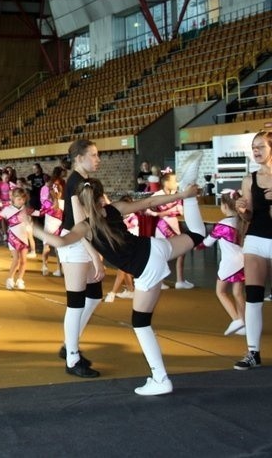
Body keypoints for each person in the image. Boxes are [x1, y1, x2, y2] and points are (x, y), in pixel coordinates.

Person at [28, 155, 204, 395]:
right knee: (197, 234)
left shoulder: (85, 226)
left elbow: (59, 241)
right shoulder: (114, 209)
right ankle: (189, 186)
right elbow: (147, 203)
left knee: (141, 324)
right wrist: (182, 196)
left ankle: (161, 379)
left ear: (81, 203)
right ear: (102, 198)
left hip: (146, 267)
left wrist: (32, 227)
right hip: (155, 248)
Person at [57, 139, 105, 378]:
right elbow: (78, 225)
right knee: (75, 302)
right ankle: (72, 358)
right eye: (93, 155)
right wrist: (94, 254)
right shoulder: (76, 182)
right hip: (75, 243)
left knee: (94, 297)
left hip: (83, 242)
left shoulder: (86, 182)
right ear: (79, 158)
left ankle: (69, 344)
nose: (98, 159)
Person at [233, 128, 272, 370]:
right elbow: (248, 216)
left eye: (261, 147)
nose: (256, 151)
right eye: (254, 147)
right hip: (256, 238)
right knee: (253, 296)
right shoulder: (250, 179)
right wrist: (242, 209)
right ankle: (253, 352)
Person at [201, 189, 246, 336]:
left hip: (229, 263)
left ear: (225, 206)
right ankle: (244, 322)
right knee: (238, 292)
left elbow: (208, 243)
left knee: (220, 291)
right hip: (244, 260)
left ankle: (236, 320)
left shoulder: (222, 224)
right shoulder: (243, 221)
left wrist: (197, 245)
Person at [145, 168, 195, 290]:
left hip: (174, 224)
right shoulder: (157, 195)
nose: (176, 183)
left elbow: (180, 210)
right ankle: (160, 281)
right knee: (162, 254)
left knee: (182, 252)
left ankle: (180, 280)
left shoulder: (176, 194)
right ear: (166, 182)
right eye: (174, 181)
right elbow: (147, 209)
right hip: (162, 226)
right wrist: (158, 214)